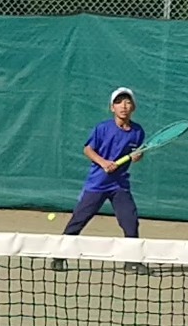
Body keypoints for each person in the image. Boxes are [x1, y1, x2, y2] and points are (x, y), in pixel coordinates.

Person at [52, 87, 147, 273]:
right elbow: (88, 149)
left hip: (119, 185)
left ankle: (132, 261)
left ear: (133, 107)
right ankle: (59, 256)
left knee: (130, 220)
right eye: (118, 102)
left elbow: (137, 153)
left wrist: (138, 156)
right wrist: (103, 162)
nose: (123, 106)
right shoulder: (102, 128)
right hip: (97, 184)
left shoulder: (137, 131)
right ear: (112, 108)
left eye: (127, 102)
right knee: (79, 220)